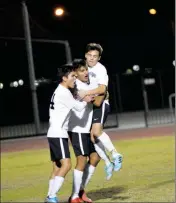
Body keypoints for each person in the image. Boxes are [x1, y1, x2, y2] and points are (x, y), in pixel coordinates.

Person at [45, 64, 93, 203]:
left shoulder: (60, 90)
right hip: (58, 133)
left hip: (54, 132)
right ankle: (51, 196)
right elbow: (78, 108)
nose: (75, 78)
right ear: (64, 78)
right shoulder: (64, 93)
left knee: (57, 167)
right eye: (72, 76)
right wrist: (86, 100)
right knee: (66, 165)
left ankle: (50, 196)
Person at [68, 59, 113, 203]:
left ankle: (80, 191)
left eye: (86, 69)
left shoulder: (87, 84)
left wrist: (101, 91)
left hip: (86, 127)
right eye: (82, 70)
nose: (86, 72)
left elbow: (100, 92)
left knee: (95, 157)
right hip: (78, 129)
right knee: (81, 160)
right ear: (74, 73)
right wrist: (101, 91)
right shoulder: (76, 86)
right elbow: (99, 101)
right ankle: (74, 197)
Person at [78, 43, 123, 178]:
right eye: (90, 55)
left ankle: (115, 154)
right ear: (86, 55)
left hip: (101, 103)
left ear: (99, 58)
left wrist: (86, 92)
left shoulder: (100, 69)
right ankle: (108, 162)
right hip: (90, 106)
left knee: (96, 132)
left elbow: (102, 90)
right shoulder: (81, 68)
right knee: (92, 137)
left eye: (95, 56)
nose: (92, 58)